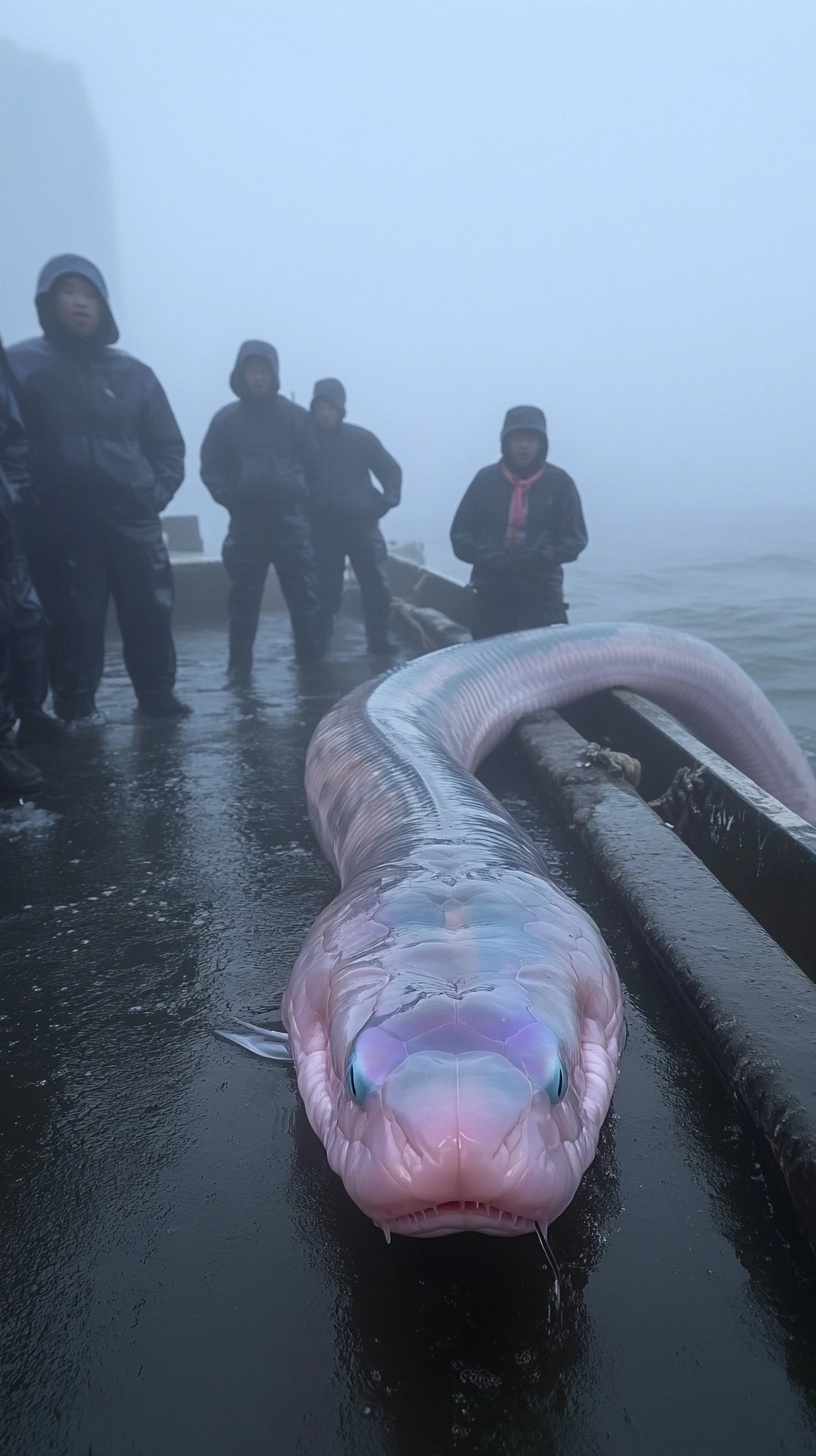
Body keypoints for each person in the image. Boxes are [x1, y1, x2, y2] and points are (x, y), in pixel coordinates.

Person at [8, 255, 189, 722]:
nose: (81, 304)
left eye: (89, 295)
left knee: (149, 608)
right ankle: (75, 705)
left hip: (131, 515)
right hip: (60, 521)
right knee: (73, 618)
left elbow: (168, 445)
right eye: (69, 292)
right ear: (49, 302)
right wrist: (26, 503)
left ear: (104, 306)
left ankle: (156, 695)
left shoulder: (134, 373)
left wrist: (154, 495)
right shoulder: (21, 365)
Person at [200, 341, 323, 673]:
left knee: (303, 598)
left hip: (290, 521)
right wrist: (231, 497)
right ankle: (239, 671)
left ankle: (310, 667)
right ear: (241, 375)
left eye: (264, 371)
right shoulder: (226, 420)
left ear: (274, 375)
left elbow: (317, 465)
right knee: (243, 600)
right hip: (246, 522)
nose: (258, 378)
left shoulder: (297, 418)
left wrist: (301, 499)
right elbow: (210, 467)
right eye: (252, 371)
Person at [450, 405, 587, 639]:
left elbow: (575, 539)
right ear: (505, 442)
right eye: (517, 439)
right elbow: (460, 534)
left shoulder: (560, 482)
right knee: (490, 660)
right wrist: (484, 555)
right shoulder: (485, 481)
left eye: (531, 439)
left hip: (541, 591)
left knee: (546, 659)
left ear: (542, 443)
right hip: (491, 587)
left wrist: (542, 556)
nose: (524, 446)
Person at [307, 378, 401, 655]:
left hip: (362, 526)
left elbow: (391, 471)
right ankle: (318, 647)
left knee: (375, 588)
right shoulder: (305, 443)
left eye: (330, 407)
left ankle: (379, 644)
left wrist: (386, 502)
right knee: (325, 591)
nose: (325, 413)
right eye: (320, 407)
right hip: (322, 530)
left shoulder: (361, 439)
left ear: (340, 409)